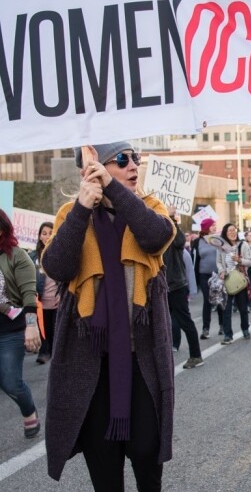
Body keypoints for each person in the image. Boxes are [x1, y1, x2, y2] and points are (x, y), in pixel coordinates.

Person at [41, 142, 175, 489]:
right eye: (122, 159)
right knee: (103, 462)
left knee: (147, 452)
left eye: (136, 158)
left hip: (141, 355)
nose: (133, 165)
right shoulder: (72, 213)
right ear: (93, 168)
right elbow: (57, 266)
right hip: (90, 360)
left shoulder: (149, 207)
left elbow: (156, 236)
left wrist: (113, 188)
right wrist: (83, 208)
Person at [0, 208, 41, 439]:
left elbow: (28, 295)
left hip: (10, 331)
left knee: (10, 381)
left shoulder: (17, 255)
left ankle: (29, 410)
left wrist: (32, 326)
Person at [162, 205, 203, 368]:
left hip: (175, 285)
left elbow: (180, 241)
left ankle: (196, 355)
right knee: (163, 322)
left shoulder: (174, 237)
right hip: (161, 286)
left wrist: (172, 219)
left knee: (184, 321)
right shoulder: (158, 235)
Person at [216, 223, 251, 344]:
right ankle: (228, 334)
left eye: (234, 230)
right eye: (229, 231)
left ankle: (245, 329)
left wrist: (239, 260)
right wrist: (221, 271)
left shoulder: (243, 245)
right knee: (226, 309)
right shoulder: (221, 247)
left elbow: (250, 262)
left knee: (242, 308)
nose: (232, 232)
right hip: (226, 281)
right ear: (225, 233)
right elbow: (219, 262)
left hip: (240, 280)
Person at [31, 221, 60, 364]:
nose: (47, 236)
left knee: (57, 331)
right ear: (39, 236)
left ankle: (56, 355)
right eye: (44, 233)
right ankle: (44, 352)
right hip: (41, 303)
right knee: (44, 330)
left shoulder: (60, 253)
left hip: (57, 301)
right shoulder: (33, 258)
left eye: (50, 232)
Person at [194, 218, 221, 339]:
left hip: (218, 275)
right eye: (212, 225)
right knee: (208, 301)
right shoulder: (197, 242)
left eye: (215, 225)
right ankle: (206, 329)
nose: (215, 227)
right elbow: (194, 260)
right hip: (204, 275)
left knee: (219, 300)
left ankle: (222, 326)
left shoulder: (218, 239)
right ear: (206, 227)